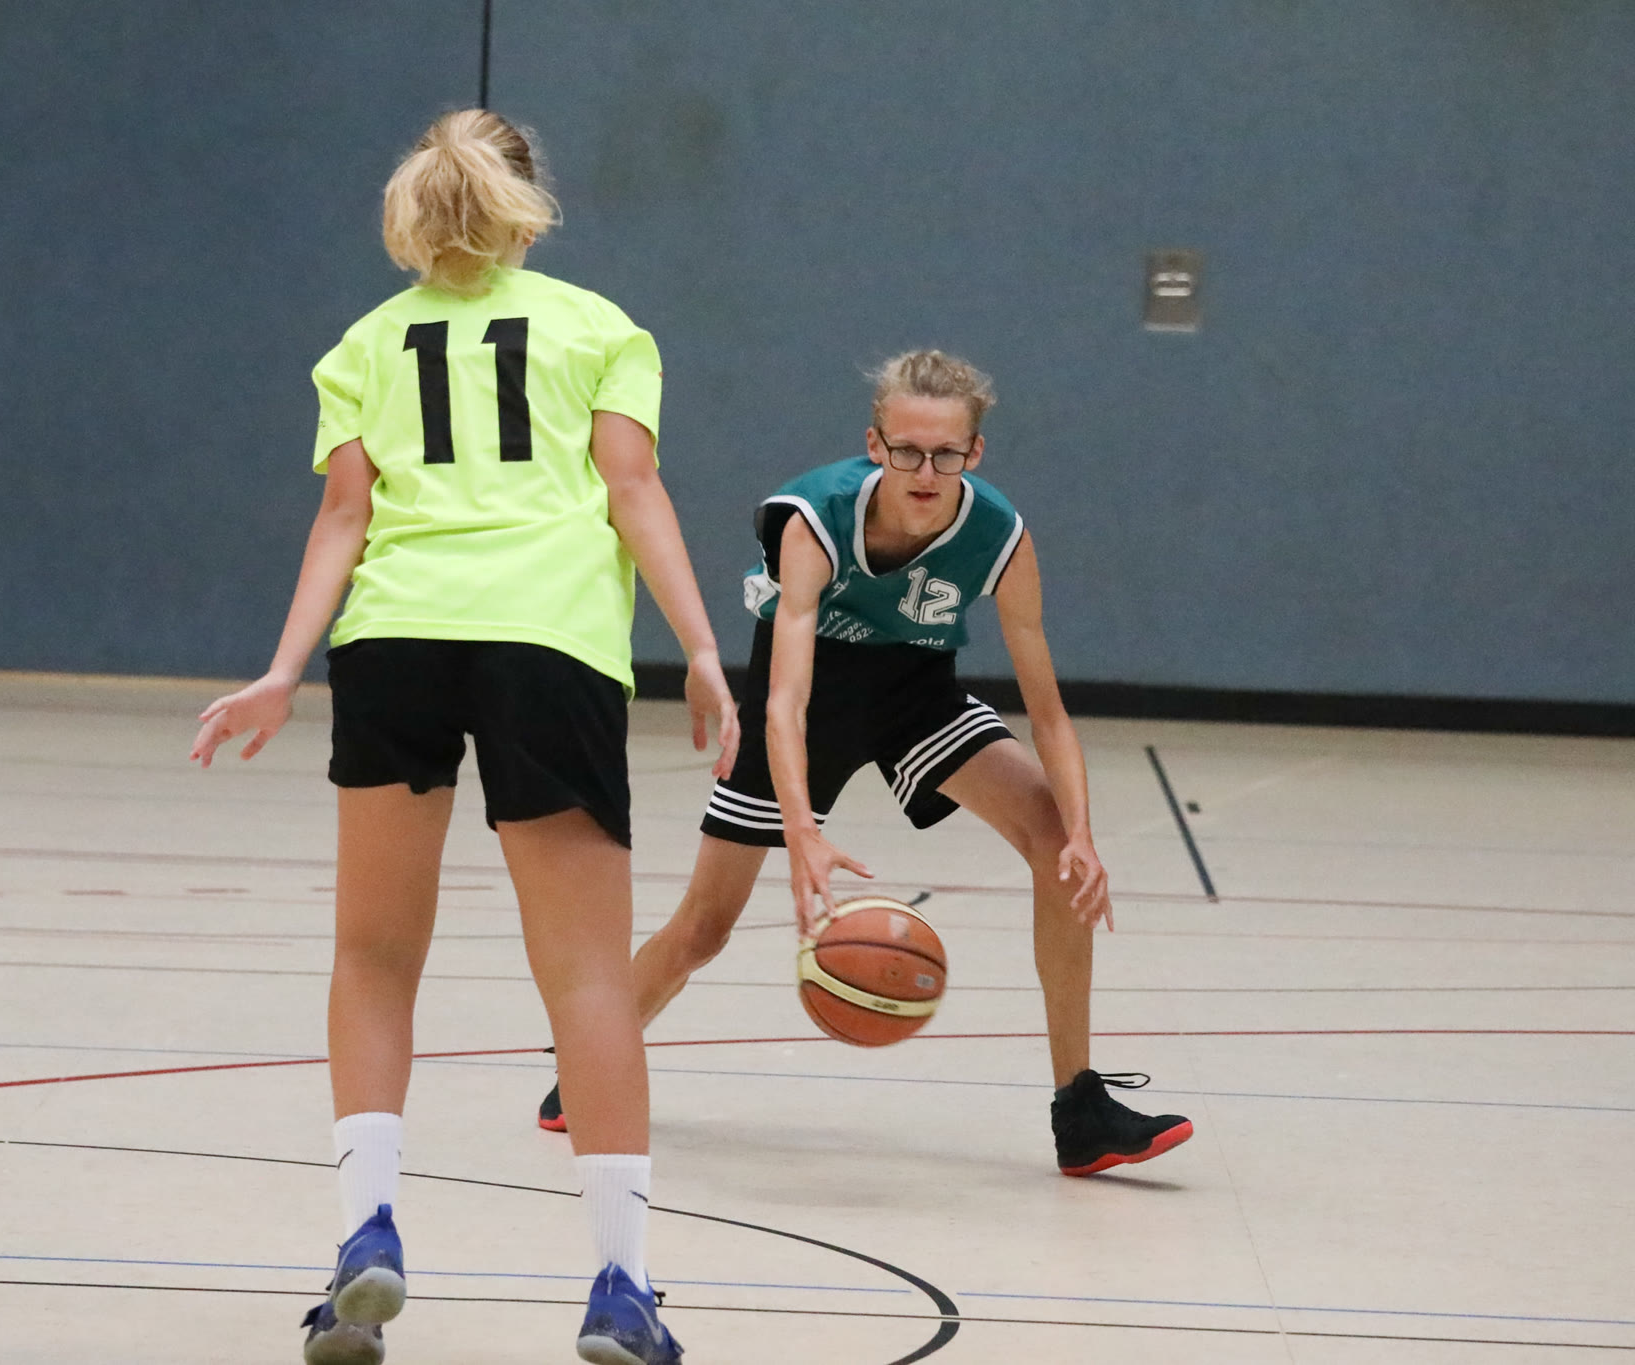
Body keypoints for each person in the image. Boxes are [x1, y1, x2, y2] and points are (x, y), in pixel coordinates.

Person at [192, 110, 735, 1365]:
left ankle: (364, 1239)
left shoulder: (364, 345)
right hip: (548, 641)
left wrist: (282, 669)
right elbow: (631, 490)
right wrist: (702, 649)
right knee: (586, 976)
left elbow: (343, 518)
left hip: (394, 642)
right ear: (529, 204)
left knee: (373, 955)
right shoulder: (599, 330)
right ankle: (620, 1288)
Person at [536, 350, 1192, 1177]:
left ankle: (1081, 1111)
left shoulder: (1000, 534)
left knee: (1057, 846)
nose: (926, 472)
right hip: (809, 702)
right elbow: (785, 701)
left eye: (946, 453)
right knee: (704, 929)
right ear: (875, 444)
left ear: (975, 452)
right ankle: (588, 1064)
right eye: (907, 450)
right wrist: (802, 830)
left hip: (916, 692)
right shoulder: (816, 517)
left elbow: (1050, 713)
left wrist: (1085, 834)